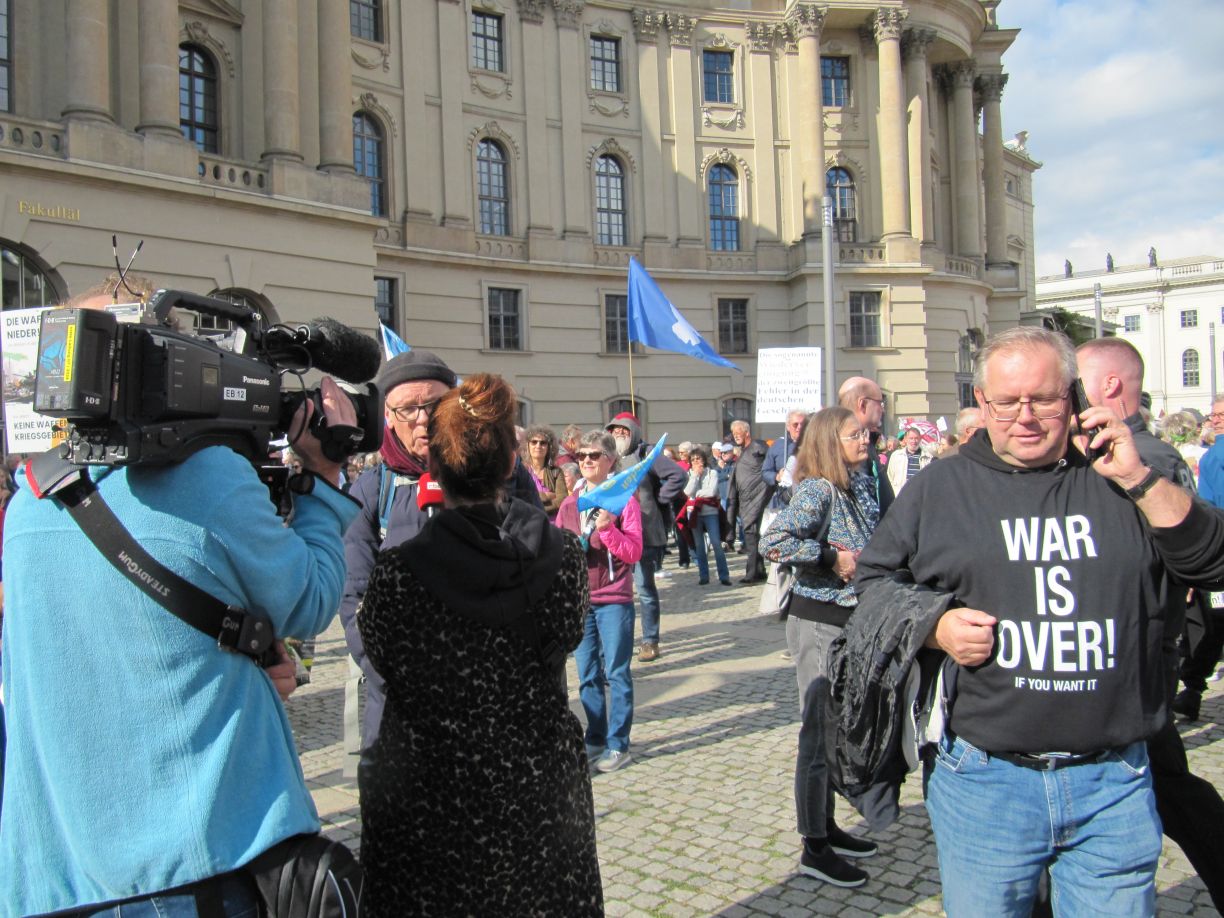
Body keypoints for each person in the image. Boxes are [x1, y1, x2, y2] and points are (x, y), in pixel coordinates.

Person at [0, 281, 359, 915]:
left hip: (53, 880)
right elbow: (309, 600)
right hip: (189, 872)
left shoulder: (30, 499)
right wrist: (324, 479)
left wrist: (236, 665)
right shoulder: (208, 476)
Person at [854, 326, 1224, 916]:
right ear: (982, 402)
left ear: (1074, 397)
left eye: (1043, 399)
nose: (1024, 417)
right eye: (1006, 402)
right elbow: (872, 586)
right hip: (985, 780)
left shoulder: (1130, 471)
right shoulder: (940, 488)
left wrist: (1138, 480)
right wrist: (934, 625)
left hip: (1114, 781)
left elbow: (1214, 563)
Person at [357, 374, 602, 917]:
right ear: (512, 460)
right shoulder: (563, 557)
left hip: (432, 791)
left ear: (435, 466)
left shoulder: (400, 571)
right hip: (535, 784)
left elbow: (380, 656)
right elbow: (566, 633)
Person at [1077, 336, 1224, 911]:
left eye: (1077, 381)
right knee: (1170, 783)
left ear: (1110, 385)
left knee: (1168, 787)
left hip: (1135, 655)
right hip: (1131, 656)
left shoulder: (1144, 458)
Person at [340, 350, 543, 759]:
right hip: (403, 707)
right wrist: (398, 676)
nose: (421, 418)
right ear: (388, 417)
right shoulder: (369, 492)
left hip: (494, 702)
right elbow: (355, 600)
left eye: (433, 405)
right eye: (407, 408)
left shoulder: (507, 475)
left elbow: (536, 570)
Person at [761, 407, 882, 888]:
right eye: (855, 434)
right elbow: (773, 542)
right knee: (817, 733)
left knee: (836, 732)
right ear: (832, 440)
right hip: (817, 623)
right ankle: (814, 845)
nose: (865, 440)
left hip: (851, 621)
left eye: (866, 433)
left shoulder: (862, 483)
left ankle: (828, 825)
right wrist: (830, 557)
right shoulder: (817, 489)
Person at [557, 430, 644, 771]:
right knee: (587, 673)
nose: (587, 461)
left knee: (617, 672)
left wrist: (608, 530)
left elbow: (633, 552)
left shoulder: (626, 501)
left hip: (614, 598)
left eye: (594, 455)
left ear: (610, 460)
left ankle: (619, 744)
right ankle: (595, 737)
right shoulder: (569, 504)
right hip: (581, 599)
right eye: (582, 457)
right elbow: (560, 550)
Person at [604, 412, 685, 662]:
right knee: (617, 592)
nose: (618, 434)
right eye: (614, 430)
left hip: (644, 533)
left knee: (644, 589)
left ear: (633, 432)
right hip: (615, 535)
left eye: (623, 430)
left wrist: (657, 501)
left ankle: (650, 640)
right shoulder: (608, 457)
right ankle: (620, 641)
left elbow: (678, 476)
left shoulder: (646, 454)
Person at [837, 377, 895, 515]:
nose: (883, 410)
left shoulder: (866, 441)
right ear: (862, 404)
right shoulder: (845, 447)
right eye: (880, 403)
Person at [725, 419, 771, 583]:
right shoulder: (743, 451)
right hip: (745, 499)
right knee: (752, 536)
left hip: (756, 498)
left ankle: (751, 573)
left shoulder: (758, 446)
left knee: (751, 537)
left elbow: (769, 461)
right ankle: (759, 570)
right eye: (734, 433)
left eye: (738, 432)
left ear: (747, 432)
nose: (735, 436)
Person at [679, 445, 732, 587]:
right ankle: (704, 575)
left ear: (704, 460)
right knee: (699, 546)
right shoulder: (689, 474)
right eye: (693, 459)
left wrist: (697, 495)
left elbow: (712, 492)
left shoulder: (712, 473)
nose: (696, 461)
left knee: (716, 543)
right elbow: (688, 492)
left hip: (710, 512)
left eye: (698, 459)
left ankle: (724, 575)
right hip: (695, 513)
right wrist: (696, 476)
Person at [523, 423, 571, 519]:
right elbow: (521, 498)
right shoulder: (522, 471)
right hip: (527, 522)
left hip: (551, 523)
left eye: (543, 443)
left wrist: (537, 507)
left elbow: (562, 500)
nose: (538, 446)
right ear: (527, 445)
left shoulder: (556, 472)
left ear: (549, 447)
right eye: (534, 442)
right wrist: (546, 495)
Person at [762, 409, 807, 506]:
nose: (799, 427)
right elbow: (765, 472)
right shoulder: (778, 445)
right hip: (784, 500)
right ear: (788, 426)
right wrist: (777, 476)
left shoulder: (813, 444)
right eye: (795, 424)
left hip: (806, 499)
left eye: (802, 424)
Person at [885, 426, 931, 494]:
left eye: (916, 438)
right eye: (911, 438)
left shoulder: (928, 457)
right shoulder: (896, 456)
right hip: (900, 497)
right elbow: (889, 477)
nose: (914, 441)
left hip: (919, 496)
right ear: (906, 439)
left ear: (920, 439)